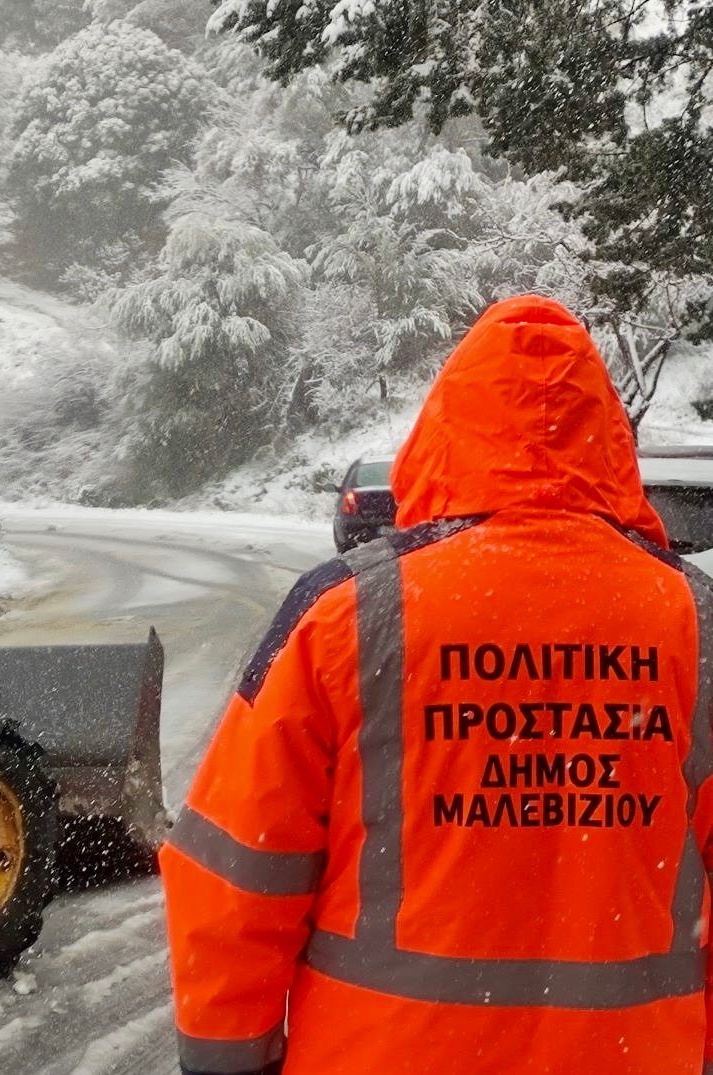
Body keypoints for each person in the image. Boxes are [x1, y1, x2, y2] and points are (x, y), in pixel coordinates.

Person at [161, 295, 713, 1075]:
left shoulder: (346, 612)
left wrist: (228, 1062)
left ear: (445, 427)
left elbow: (234, 870)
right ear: (610, 442)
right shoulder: (694, 622)